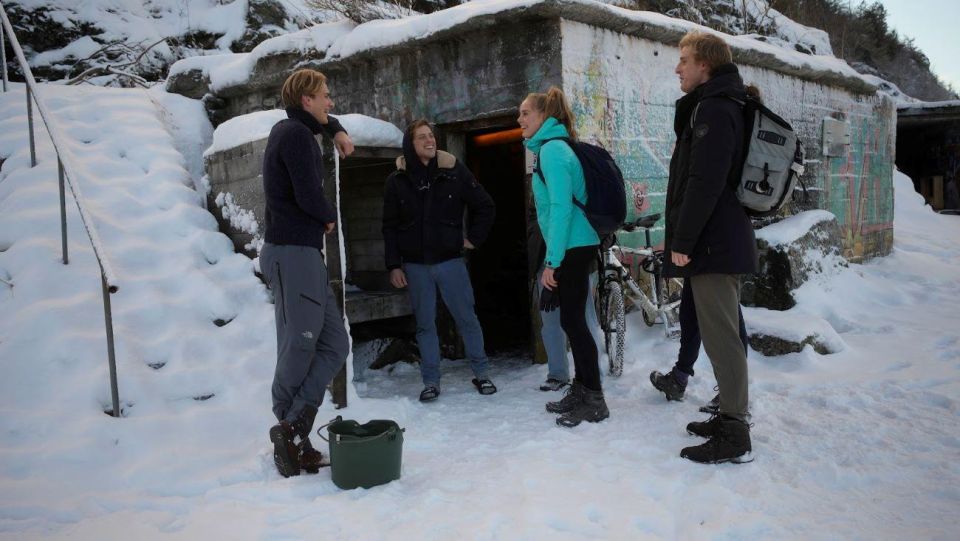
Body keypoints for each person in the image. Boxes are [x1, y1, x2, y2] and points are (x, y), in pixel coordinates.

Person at [662, 31, 758, 464]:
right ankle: (729, 419)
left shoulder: (716, 110)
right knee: (721, 334)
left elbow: (704, 181)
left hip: (713, 242)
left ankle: (735, 432)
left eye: (684, 60)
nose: (678, 67)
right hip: (717, 239)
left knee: (722, 339)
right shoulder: (715, 106)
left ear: (706, 65)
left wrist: (682, 241)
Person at [259, 69, 355, 477]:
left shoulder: (296, 128)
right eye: (325, 96)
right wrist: (327, 216)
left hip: (303, 253)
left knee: (335, 344)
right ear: (306, 101)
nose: (330, 102)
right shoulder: (295, 136)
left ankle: (294, 428)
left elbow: (320, 119)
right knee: (299, 343)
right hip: (292, 252)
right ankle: (291, 429)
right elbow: (306, 192)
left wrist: (335, 129)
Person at [382, 119, 496, 402]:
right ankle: (431, 382)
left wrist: (474, 239)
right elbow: (389, 226)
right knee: (425, 325)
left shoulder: (454, 171)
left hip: (450, 262)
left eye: (431, 136)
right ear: (410, 144)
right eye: (422, 137)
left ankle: (482, 374)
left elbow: (485, 205)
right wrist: (393, 264)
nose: (430, 141)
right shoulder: (397, 180)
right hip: (416, 265)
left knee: (467, 318)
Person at [519, 87, 607, 427]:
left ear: (544, 116)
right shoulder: (553, 148)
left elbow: (560, 208)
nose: (520, 119)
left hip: (572, 244)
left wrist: (552, 261)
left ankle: (594, 398)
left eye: (526, 113)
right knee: (573, 320)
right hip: (575, 243)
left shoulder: (553, 151)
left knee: (575, 322)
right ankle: (583, 388)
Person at [527, 202, 602, 392]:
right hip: (546, 258)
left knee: (583, 318)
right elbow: (535, 211)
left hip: (577, 257)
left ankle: (592, 376)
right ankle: (557, 373)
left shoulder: (570, 173)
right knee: (550, 318)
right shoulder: (542, 178)